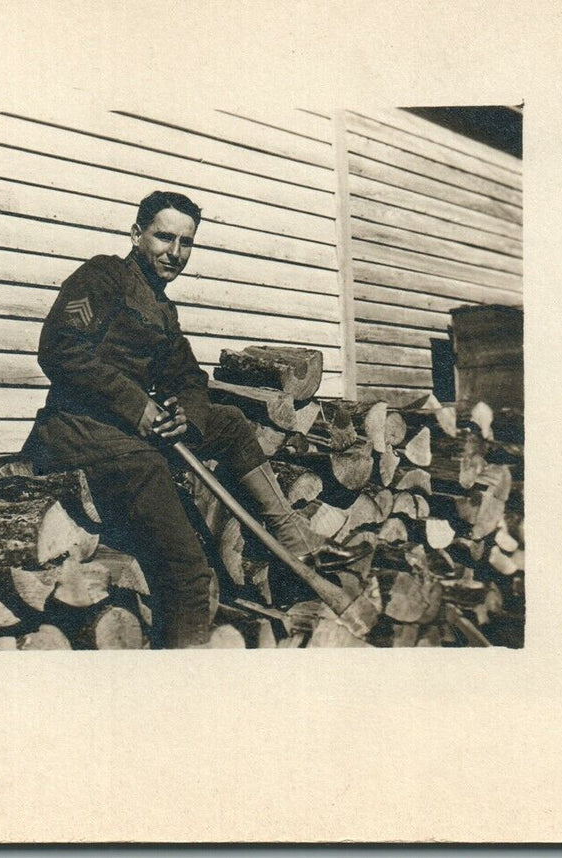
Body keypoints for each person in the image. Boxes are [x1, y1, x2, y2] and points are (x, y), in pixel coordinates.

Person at [22, 190, 331, 648]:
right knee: (189, 571)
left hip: (128, 431)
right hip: (79, 432)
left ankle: (288, 529)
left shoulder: (163, 310)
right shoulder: (102, 276)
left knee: (228, 422)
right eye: (164, 237)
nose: (175, 252)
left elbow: (188, 376)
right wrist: (136, 406)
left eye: (186, 242)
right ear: (137, 235)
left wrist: (188, 416)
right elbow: (60, 349)